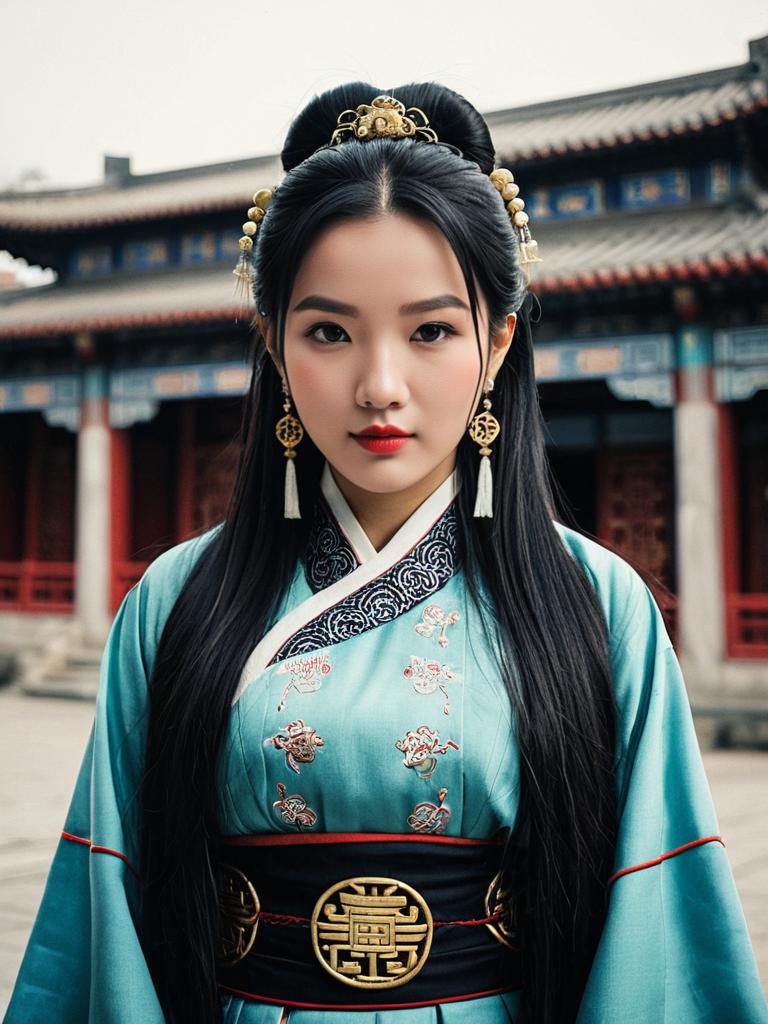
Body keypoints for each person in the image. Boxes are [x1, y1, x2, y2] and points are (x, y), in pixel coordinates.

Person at [4, 82, 767, 1024]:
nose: (379, 385)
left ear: (497, 343)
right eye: (329, 332)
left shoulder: (598, 602)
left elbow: (657, 924)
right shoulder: (171, 601)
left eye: (431, 330)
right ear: (273, 345)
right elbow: (105, 922)